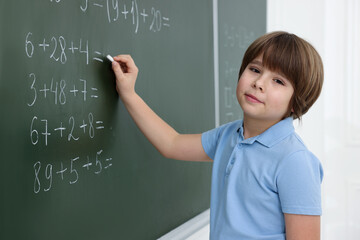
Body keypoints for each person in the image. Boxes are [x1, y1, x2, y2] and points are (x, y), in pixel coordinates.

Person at [109, 31, 324, 240]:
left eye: (278, 81)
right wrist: (129, 93)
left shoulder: (295, 161)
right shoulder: (228, 135)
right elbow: (171, 143)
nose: (259, 83)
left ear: (296, 103)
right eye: (255, 69)